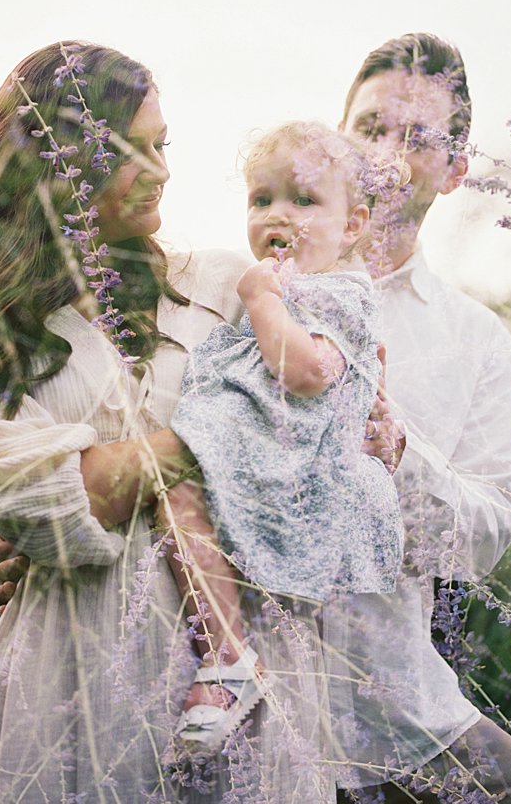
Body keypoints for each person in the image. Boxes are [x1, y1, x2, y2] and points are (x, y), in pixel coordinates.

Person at [0, 42, 350, 803]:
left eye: (161, 144)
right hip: (75, 680)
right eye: (129, 152)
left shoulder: (219, 286)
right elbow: (48, 495)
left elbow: (320, 425)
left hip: (244, 666)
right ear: (58, 166)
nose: (161, 170)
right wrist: (220, 434)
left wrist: (128, 475)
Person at [326, 33, 511, 802]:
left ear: (455, 169)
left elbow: (491, 534)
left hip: (398, 712)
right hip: (233, 696)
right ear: (335, 137)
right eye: (370, 128)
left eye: (416, 138)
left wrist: (401, 459)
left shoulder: (476, 341)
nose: (385, 157)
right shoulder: (243, 288)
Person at [166, 122, 403, 749]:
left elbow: (307, 373)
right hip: (268, 460)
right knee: (177, 498)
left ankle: (228, 657)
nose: (278, 215)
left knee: (180, 494)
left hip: (298, 474)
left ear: (352, 225)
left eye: (303, 199)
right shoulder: (285, 289)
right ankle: (226, 651)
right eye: (261, 198)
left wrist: (261, 301)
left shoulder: (339, 293)